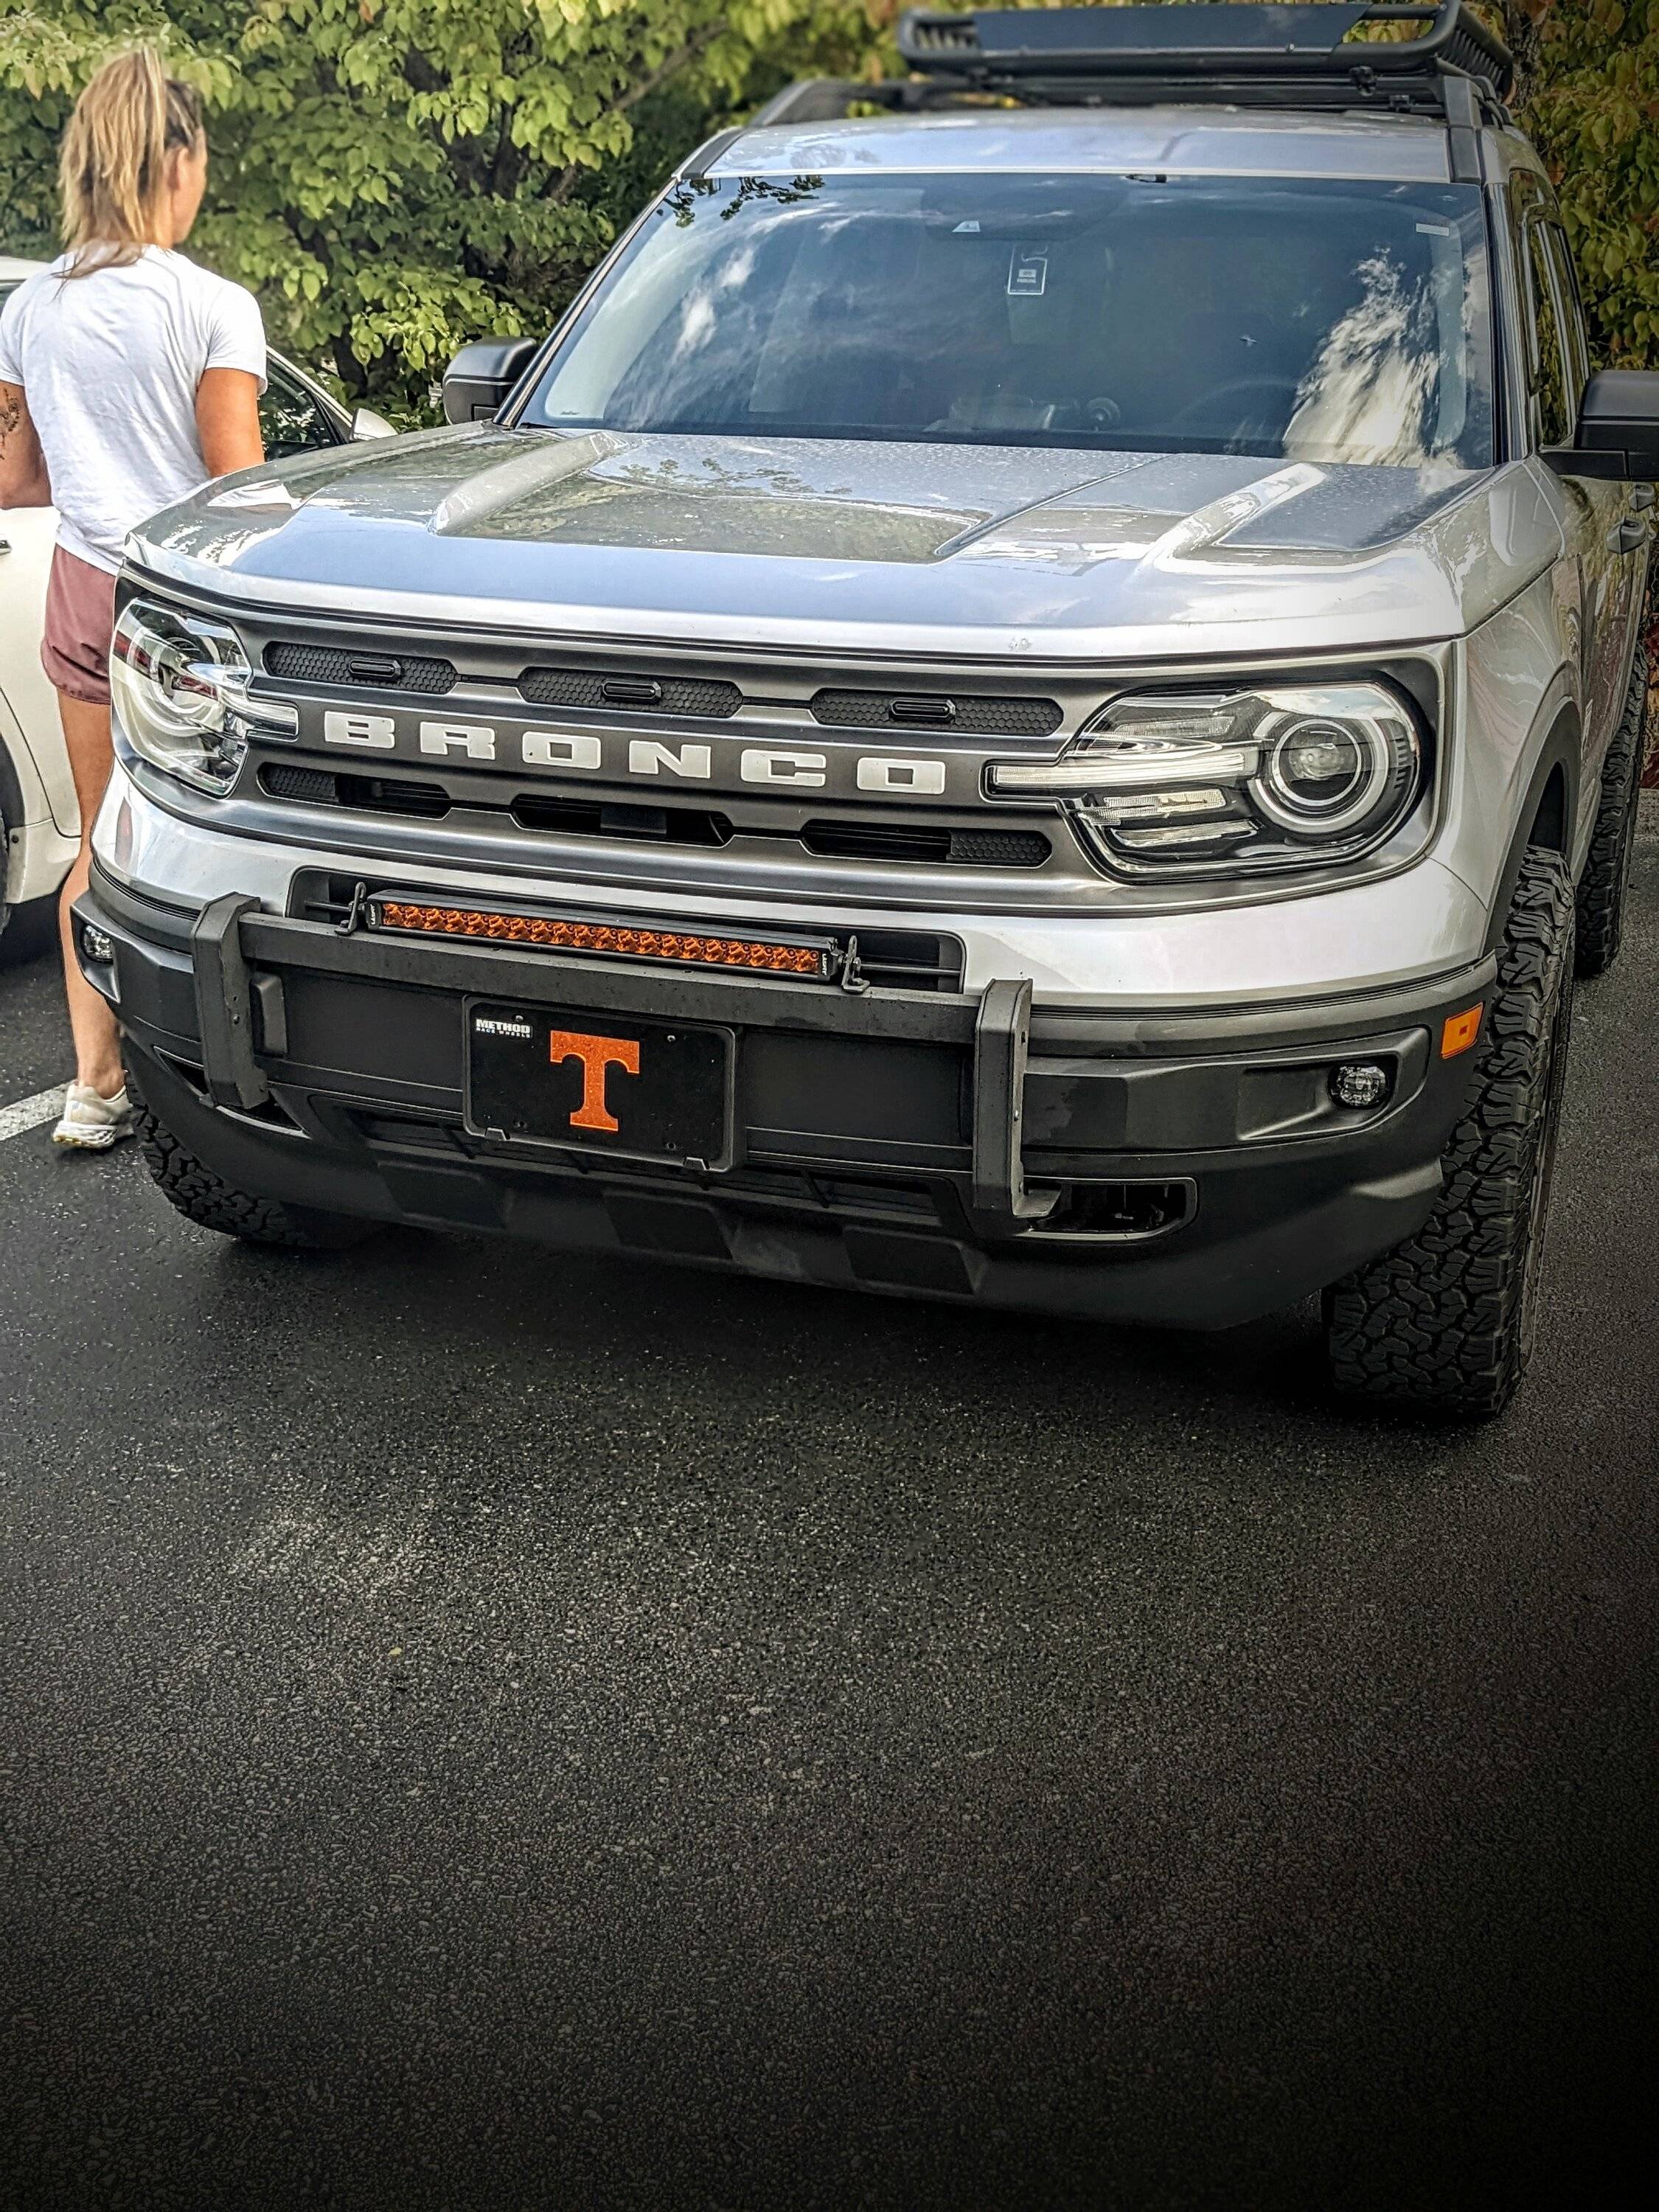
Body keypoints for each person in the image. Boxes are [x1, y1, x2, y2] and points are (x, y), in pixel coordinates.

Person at [0, 49, 265, 1148]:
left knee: (100, 838)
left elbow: (16, 477)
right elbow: (235, 484)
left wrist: (95, 463)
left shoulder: (32, 308)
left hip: (80, 587)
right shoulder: (210, 305)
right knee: (221, 841)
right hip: (184, 605)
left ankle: (92, 1088)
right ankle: (231, 1090)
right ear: (178, 161)